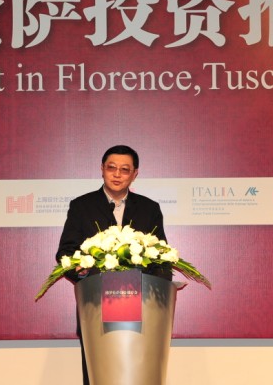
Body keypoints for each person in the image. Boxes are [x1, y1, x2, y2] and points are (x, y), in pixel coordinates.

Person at [55, 145, 170, 385]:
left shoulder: (149, 208)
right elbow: (66, 252)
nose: (117, 174)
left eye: (125, 170)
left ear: (134, 174)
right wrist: (82, 272)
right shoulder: (81, 206)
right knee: (99, 374)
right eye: (111, 168)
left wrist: (161, 285)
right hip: (97, 305)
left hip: (142, 308)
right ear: (102, 169)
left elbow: (161, 256)